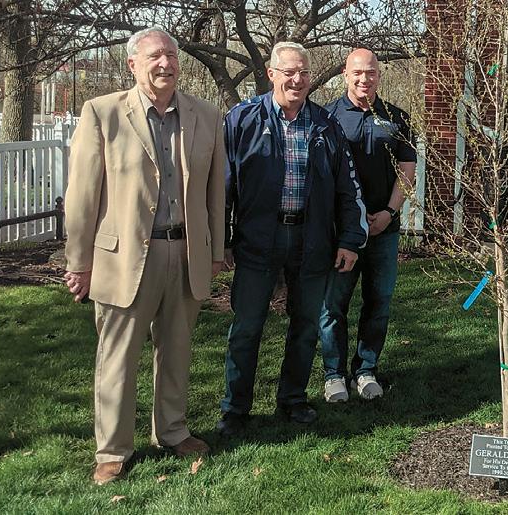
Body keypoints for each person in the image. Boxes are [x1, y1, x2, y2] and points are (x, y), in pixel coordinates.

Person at [63, 27, 225, 485]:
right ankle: (113, 450)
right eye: (155, 56)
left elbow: (215, 191)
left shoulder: (206, 115)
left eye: (171, 55)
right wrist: (79, 262)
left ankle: (172, 431)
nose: (165, 63)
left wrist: (215, 248)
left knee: (177, 350)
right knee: (117, 357)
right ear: (132, 64)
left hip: (186, 252)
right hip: (124, 257)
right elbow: (82, 196)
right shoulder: (103, 113)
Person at [215, 42, 367, 436]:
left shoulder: (325, 125)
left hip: (311, 240)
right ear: (271, 74)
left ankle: (293, 399)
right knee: (247, 327)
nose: (297, 80)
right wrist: (222, 239)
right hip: (257, 240)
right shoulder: (242, 119)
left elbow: (347, 188)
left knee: (305, 326)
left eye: (304, 73)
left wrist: (350, 239)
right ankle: (235, 408)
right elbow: (222, 186)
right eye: (289, 72)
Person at [319, 49, 416, 402]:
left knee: (379, 303)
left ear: (379, 75)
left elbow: (407, 171)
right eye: (357, 72)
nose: (364, 79)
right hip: (341, 233)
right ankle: (334, 374)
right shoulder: (327, 117)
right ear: (345, 75)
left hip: (383, 229)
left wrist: (389, 212)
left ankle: (365, 370)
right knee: (333, 306)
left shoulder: (397, 118)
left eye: (371, 72)